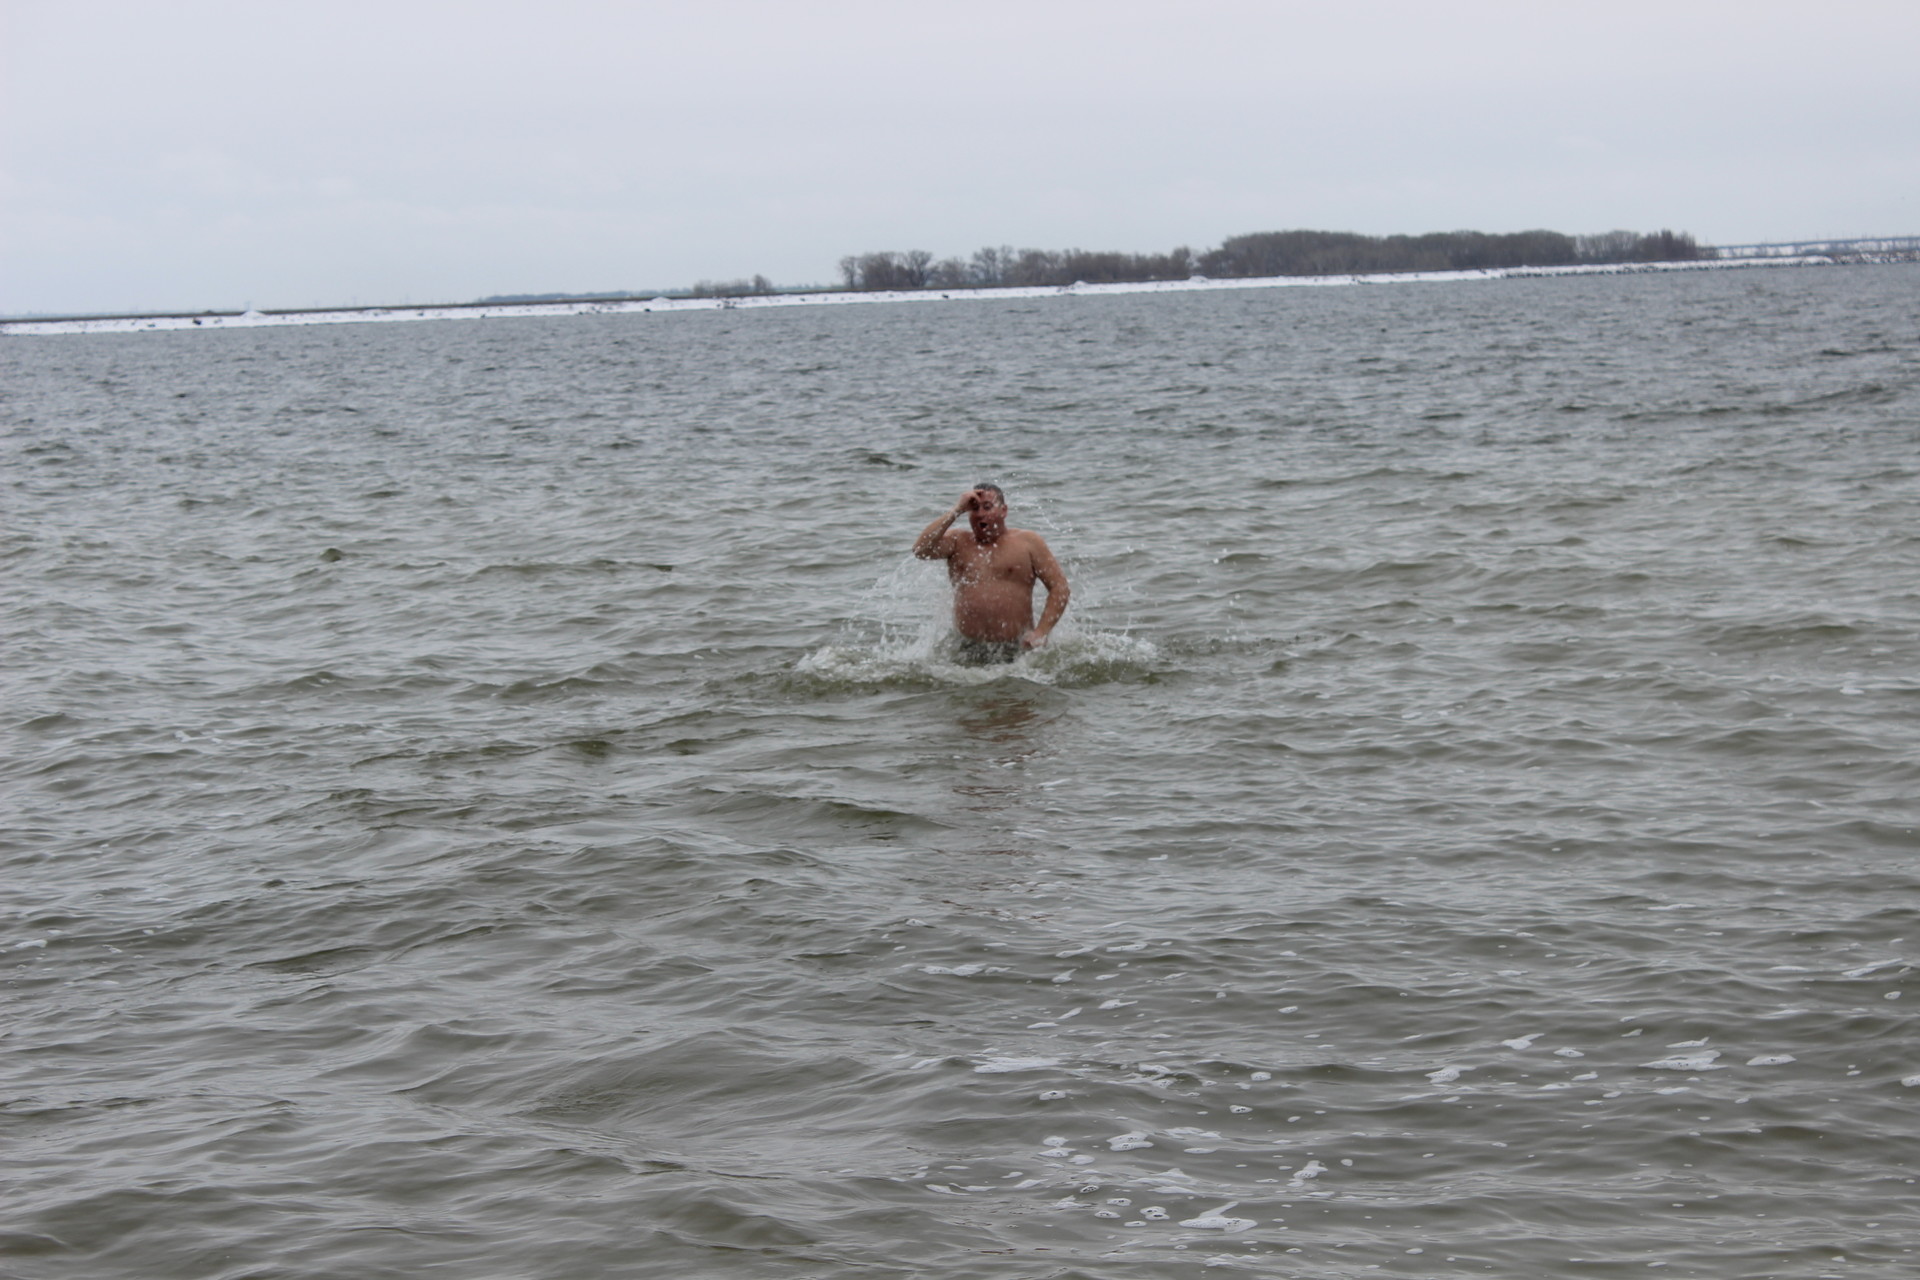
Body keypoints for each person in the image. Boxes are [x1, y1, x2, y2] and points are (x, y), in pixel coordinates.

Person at [913, 483, 1070, 663]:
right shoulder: (957, 541)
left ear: (1003, 511)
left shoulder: (1028, 542)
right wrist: (956, 509)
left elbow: (1060, 588)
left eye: (987, 507)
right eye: (974, 508)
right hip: (965, 647)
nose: (980, 514)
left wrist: (1041, 632)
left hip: (1016, 649)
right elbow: (920, 550)